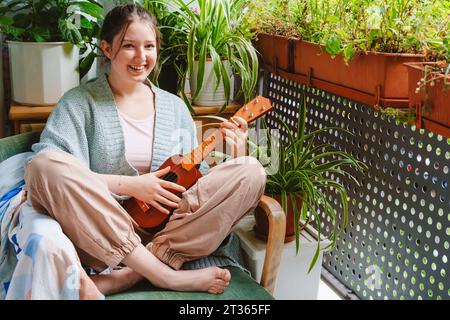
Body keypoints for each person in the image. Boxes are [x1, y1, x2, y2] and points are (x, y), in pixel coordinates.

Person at [23, 4, 266, 298]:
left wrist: (237, 154)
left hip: (171, 233)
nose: (141, 57)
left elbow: (198, 189)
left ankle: (133, 274)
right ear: (107, 48)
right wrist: (132, 185)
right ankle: (164, 274)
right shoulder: (78, 104)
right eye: (129, 46)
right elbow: (52, 175)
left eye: (149, 46)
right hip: (101, 230)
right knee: (43, 165)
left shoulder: (175, 107)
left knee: (251, 170)